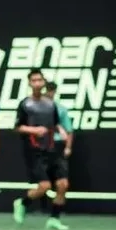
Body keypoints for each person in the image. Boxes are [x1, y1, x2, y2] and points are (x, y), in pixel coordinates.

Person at [12, 68, 70, 230]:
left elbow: (56, 123)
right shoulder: (25, 104)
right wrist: (34, 130)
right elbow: (17, 127)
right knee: (44, 186)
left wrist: (61, 130)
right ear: (30, 83)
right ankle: (22, 203)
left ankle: (54, 219)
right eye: (34, 80)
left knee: (63, 184)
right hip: (34, 151)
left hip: (51, 149)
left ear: (44, 82)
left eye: (40, 80)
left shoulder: (50, 104)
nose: (37, 83)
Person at [39, 81, 74, 214]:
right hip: (42, 147)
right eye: (47, 89)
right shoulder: (36, 108)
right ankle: (39, 207)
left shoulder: (61, 109)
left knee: (62, 183)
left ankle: (55, 215)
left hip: (57, 147)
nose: (49, 92)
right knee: (44, 183)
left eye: (52, 90)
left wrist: (68, 147)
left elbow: (69, 130)